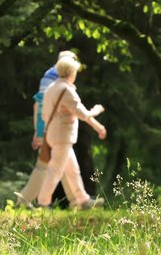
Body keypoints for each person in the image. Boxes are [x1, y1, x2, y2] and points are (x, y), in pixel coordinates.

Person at [36, 51, 107, 210]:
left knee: (72, 170)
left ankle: (83, 200)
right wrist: (96, 110)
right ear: (70, 72)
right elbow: (82, 113)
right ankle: (43, 202)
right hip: (63, 137)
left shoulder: (52, 88)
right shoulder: (67, 91)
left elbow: (45, 113)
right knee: (55, 170)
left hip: (55, 135)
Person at [14, 54, 81, 207]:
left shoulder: (54, 77)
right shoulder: (53, 77)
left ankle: (77, 200)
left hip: (52, 127)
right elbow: (41, 106)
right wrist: (39, 132)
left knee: (63, 164)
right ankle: (24, 201)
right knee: (44, 165)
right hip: (50, 128)